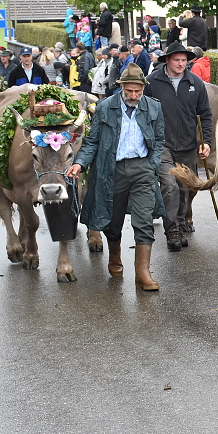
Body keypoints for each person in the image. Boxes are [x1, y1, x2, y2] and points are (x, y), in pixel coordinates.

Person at [67, 63, 165, 291]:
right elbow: (92, 142)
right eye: (129, 91)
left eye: (137, 91)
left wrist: (152, 164)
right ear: (121, 87)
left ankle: (143, 272)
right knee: (112, 220)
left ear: (143, 88)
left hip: (143, 169)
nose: (133, 96)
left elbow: (159, 139)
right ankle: (115, 256)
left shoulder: (153, 107)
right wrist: (79, 163)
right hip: (112, 169)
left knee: (144, 220)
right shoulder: (105, 107)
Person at [144, 41, 213, 252]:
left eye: (184, 60)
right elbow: (142, 113)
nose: (181, 64)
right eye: (177, 60)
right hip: (161, 144)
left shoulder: (196, 83)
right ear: (167, 60)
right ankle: (172, 229)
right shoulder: (152, 82)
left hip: (188, 144)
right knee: (170, 185)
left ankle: (181, 223)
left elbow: (206, 116)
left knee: (186, 187)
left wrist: (206, 141)